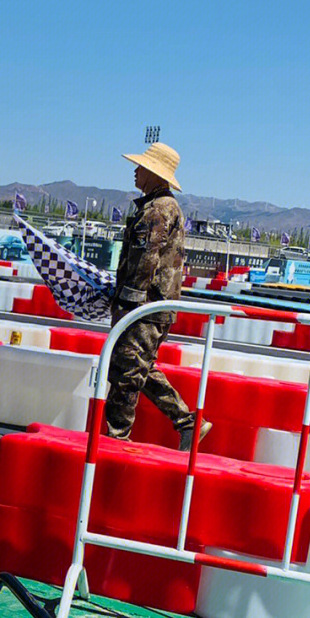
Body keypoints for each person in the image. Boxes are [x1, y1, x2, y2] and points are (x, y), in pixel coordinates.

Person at [105, 141, 211, 451]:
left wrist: (125, 305)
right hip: (154, 306)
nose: (135, 171)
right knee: (140, 366)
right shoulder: (162, 206)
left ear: (154, 173)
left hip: (144, 306)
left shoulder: (157, 209)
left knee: (125, 375)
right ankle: (187, 423)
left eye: (140, 167)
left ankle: (116, 440)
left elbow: (144, 262)